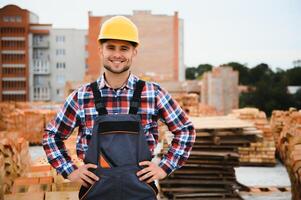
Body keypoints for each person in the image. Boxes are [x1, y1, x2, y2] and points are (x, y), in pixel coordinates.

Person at [43, 16, 195, 200]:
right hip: (96, 193)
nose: (117, 54)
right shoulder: (81, 97)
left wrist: (164, 168)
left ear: (134, 52)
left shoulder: (153, 94)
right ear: (100, 51)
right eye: (111, 47)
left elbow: (185, 130)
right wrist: (70, 171)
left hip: (140, 193)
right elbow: (52, 135)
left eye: (124, 48)